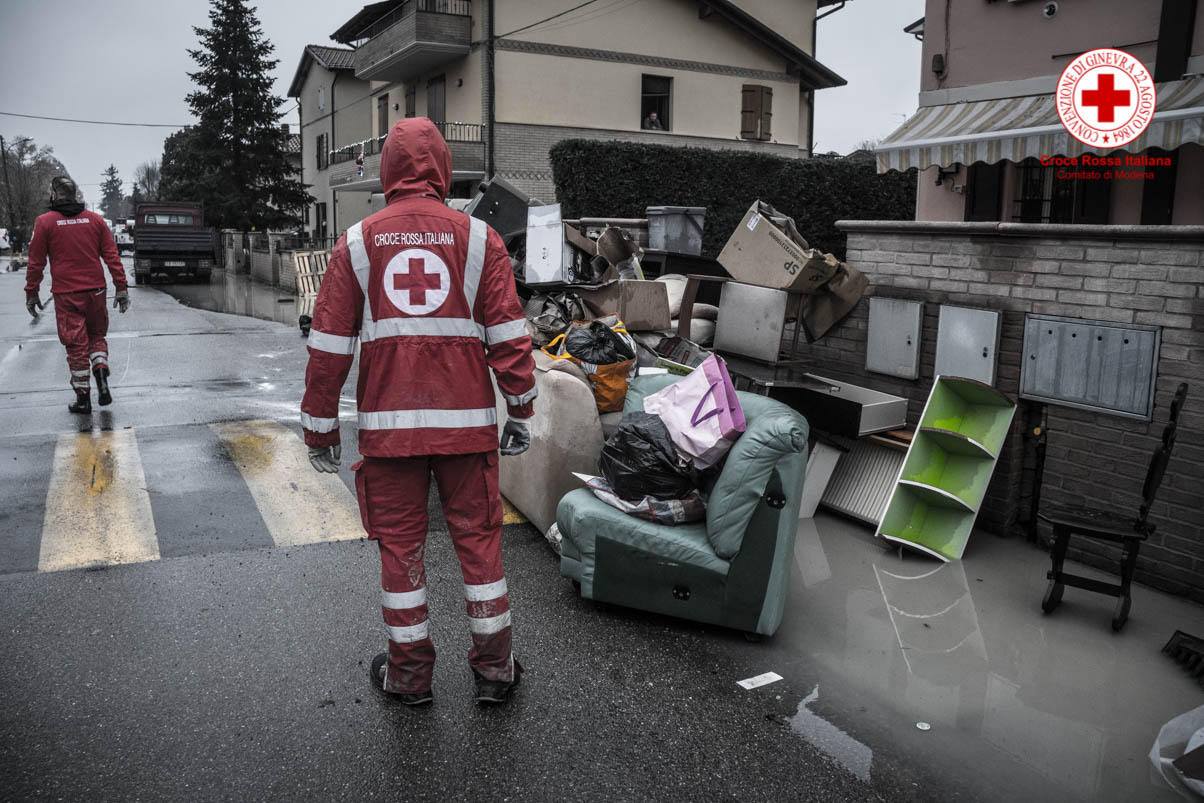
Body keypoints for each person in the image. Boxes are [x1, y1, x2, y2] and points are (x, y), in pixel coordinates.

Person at [301, 117, 537, 707]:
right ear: (442, 168)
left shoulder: (356, 243)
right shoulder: (481, 239)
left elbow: (329, 346)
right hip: (466, 433)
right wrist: (522, 410)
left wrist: (320, 429)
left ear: (386, 170)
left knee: (400, 550)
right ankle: (493, 671)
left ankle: (409, 677)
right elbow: (510, 335)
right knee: (480, 547)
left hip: (390, 435)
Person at [25, 176, 130, 413]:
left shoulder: (45, 223)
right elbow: (112, 256)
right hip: (96, 291)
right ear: (75, 195)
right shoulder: (96, 221)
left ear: (54, 195)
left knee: (75, 346)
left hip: (67, 294)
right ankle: (101, 373)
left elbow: (35, 263)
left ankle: (84, 399)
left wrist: (32, 293)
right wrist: (121, 288)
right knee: (96, 336)